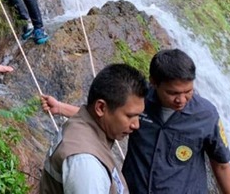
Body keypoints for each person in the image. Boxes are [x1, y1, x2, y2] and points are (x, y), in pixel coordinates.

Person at [42, 49, 230, 194]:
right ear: (154, 83)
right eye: (173, 93)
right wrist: (61, 108)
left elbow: (222, 165)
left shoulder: (206, 115)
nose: (181, 100)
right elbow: (108, 115)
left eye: (188, 92)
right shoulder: (139, 103)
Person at [39, 63, 148, 194]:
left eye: (139, 116)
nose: (136, 125)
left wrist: (61, 108)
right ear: (101, 108)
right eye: (130, 116)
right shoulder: (87, 166)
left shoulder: (81, 126)